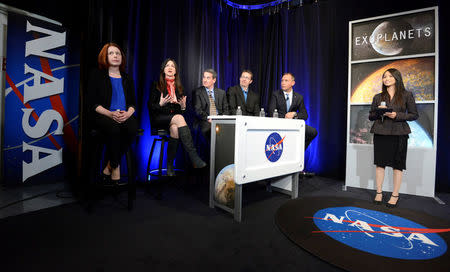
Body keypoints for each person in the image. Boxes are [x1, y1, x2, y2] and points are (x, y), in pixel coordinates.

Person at [87, 42, 138, 184]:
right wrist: (110, 114)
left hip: (124, 114)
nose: (115, 55)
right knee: (114, 128)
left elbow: (133, 103)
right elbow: (92, 103)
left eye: (118, 53)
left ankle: (110, 165)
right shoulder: (97, 75)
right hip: (103, 115)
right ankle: (116, 167)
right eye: (111, 53)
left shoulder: (127, 78)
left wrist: (128, 113)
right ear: (105, 56)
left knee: (133, 128)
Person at [369, 68, 418, 208]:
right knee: (380, 164)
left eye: (390, 76)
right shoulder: (378, 97)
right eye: (384, 77)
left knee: (397, 165)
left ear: (397, 78)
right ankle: (379, 192)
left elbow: (414, 115)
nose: (386, 79)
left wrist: (397, 115)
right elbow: (371, 116)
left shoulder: (406, 95)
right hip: (381, 132)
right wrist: (379, 112)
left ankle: (395, 194)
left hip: (399, 133)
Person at [148, 59, 206, 176]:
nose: (170, 68)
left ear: (175, 72)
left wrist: (183, 107)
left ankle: (169, 166)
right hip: (159, 118)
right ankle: (193, 157)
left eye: (173, 66)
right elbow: (150, 106)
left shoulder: (179, 88)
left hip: (173, 120)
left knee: (175, 128)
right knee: (178, 118)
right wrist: (160, 104)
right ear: (163, 70)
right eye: (167, 66)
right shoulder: (156, 85)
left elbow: (179, 113)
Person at [268, 73, 318, 150]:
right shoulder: (276, 95)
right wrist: (285, 118)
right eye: (282, 81)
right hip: (279, 124)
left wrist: (294, 114)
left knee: (313, 132)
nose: (283, 83)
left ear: (292, 83)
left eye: (286, 80)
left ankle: (299, 150)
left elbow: (305, 115)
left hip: (293, 124)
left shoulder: (298, 97)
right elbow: (271, 112)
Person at [193, 69, 229, 140]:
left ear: (214, 80)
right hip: (205, 120)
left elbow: (226, 109)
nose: (205, 80)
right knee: (208, 130)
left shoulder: (222, 93)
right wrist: (209, 118)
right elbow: (198, 111)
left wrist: (220, 119)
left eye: (208, 78)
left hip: (220, 120)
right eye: (204, 77)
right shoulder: (197, 92)